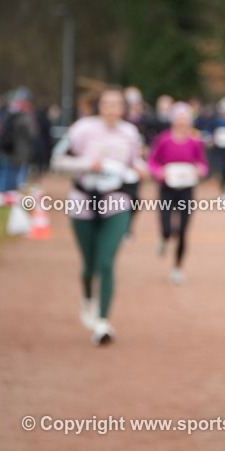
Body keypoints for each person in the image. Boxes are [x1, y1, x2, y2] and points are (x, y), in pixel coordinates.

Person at [51, 87, 146, 344]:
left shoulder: (130, 132)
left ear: (124, 108)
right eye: (107, 103)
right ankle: (87, 297)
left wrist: (141, 169)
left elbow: (136, 162)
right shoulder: (82, 129)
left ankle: (103, 322)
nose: (112, 107)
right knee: (89, 266)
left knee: (105, 263)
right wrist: (87, 164)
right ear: (98, 105)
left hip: (116, 202)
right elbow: (57, 159)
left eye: (117, 103)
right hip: (83, 202)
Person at [147, 102, 208, 285]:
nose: (182, 122)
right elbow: (153, 161)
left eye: (185, 119)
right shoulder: (163, 139)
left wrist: (200, 170)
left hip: (186, 189)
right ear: (173, 120)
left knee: (183, 231)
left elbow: (203, 164)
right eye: (179, 118)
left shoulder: (195, 141)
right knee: (167, 227)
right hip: (167, 188)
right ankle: (164, 239)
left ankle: (177, 268)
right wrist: (158, 172)